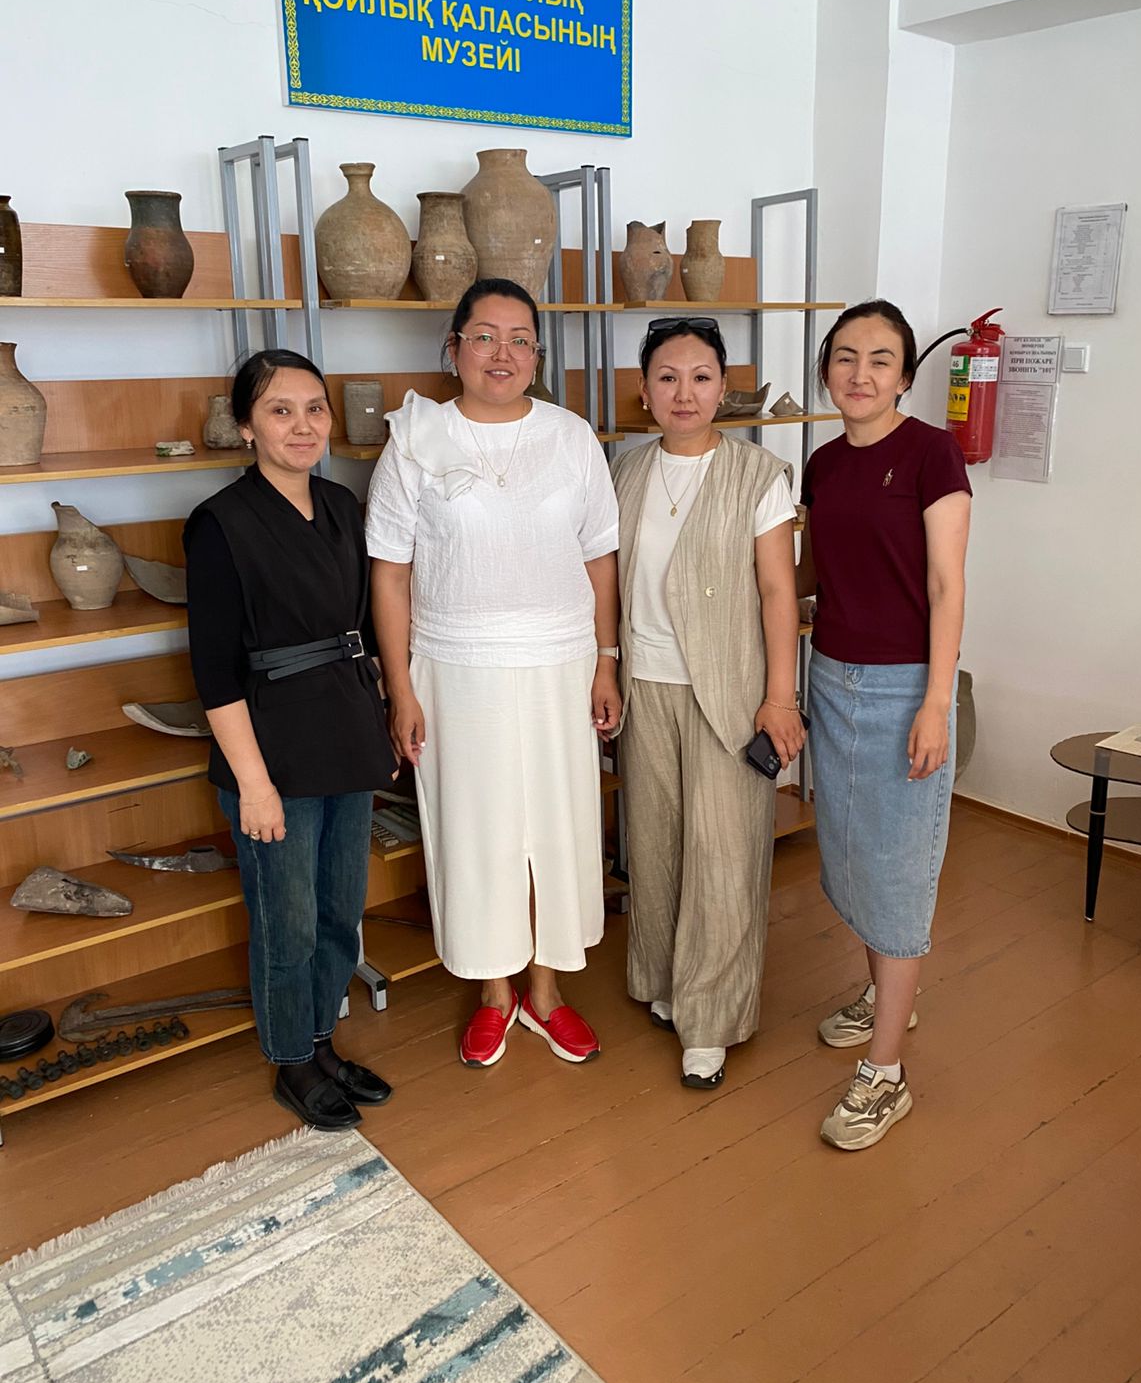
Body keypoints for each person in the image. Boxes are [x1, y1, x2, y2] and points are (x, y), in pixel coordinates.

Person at [365, 278, 620, 1068]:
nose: (501, 353)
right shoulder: (416, 440)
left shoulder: (572, 437)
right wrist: (401, 688)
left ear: (538, 355)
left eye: (519, 339)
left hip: (560, 664)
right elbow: (390, 575)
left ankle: (546, 990)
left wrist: (607, 660)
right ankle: (493, 991)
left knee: (556, 828)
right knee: (476, 833)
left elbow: (599, 559)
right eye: (483, 336)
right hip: (455, 669)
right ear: (454, 349)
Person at [184, 348, 397, 1131]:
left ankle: (321, 1042)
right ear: (246, 426)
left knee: (340, 910)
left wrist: (386, 715)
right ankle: (290, 1061)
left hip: (344, 730)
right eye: (280, 410)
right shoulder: (220, 525)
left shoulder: (341, 506)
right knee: (288, 920)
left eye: (314, 409)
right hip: (271, 749)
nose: (302, 425)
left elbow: (363, 628)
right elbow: (214, 672)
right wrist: (254, 784)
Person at [611, 316, 804, 1089]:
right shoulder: (625, 472)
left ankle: (713, 1017)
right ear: (645, 389)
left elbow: (778, 591)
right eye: (667, 377)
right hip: (646, 684)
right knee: (656, 843)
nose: (683, 392)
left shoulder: (758, 474)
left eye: (700, 377)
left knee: (725, 851)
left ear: (724, 388)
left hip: (729, 690)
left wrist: (780, 697)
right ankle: (665, 980)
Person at [798, 299, 971, 1150]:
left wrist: (936, 702)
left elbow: (946, 586)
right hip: (831, 679)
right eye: (844, 357)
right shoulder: (823, 462)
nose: (859, 374)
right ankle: (882, 997)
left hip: (906, 688)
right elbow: (810, 576)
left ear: (904, 376)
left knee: (898, 872)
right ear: (826, 370)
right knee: (854, 855)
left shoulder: (933, 453)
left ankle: (886, 1074)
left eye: (879, 359)